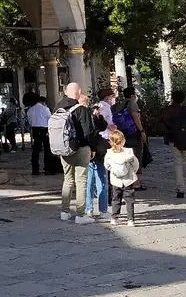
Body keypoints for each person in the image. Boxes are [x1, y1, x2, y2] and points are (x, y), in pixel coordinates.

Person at [52, 82, 100, 224]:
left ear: (66, 92)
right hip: (80, 148)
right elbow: (88, 132)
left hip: (64, 148)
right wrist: (92, 148)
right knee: (81, 181)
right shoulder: (81, 109)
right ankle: (80, 214)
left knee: (67, 180)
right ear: (79, 92)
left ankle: (65, 211)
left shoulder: (57, 107)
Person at [86, 87, 116, 218]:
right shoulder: (104, 106)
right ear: (108, 97)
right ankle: (103, 209)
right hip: (103, 141)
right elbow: (102, 121)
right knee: (102, 176)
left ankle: (89, 208)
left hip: (93, 142)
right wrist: (111, 127)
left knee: (90, 178)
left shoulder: (95, 106)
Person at [104, 129, 140, 226]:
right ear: (123, 140)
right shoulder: (129, 152)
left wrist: (112, 170)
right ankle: (130, 220)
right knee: (129, 200)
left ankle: (114, 218)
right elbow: (136, 164)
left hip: (115, 180)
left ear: (111, 142)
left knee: (116, 199)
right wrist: (133, 172)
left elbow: (106, 165)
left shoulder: (109, 153)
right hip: (128, 179)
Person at [118, 86, 148, 189]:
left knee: (125, 158)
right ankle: (136, 183)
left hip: (123, 134)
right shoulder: (132, 103)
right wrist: (142, 131)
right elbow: (136, 117)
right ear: (132, 95)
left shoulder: (120, 104)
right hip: (134, 134)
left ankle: (127, 181)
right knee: (136, 157)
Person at [26, 95, 57, 175]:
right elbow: (50, 119)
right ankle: (48, 169)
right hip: (44, 129)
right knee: (47, 149)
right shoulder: (45, 109)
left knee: (36, 149)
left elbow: (29, 120)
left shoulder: (30, 109)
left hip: (35, 129)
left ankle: (35, 169)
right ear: (43, 102)